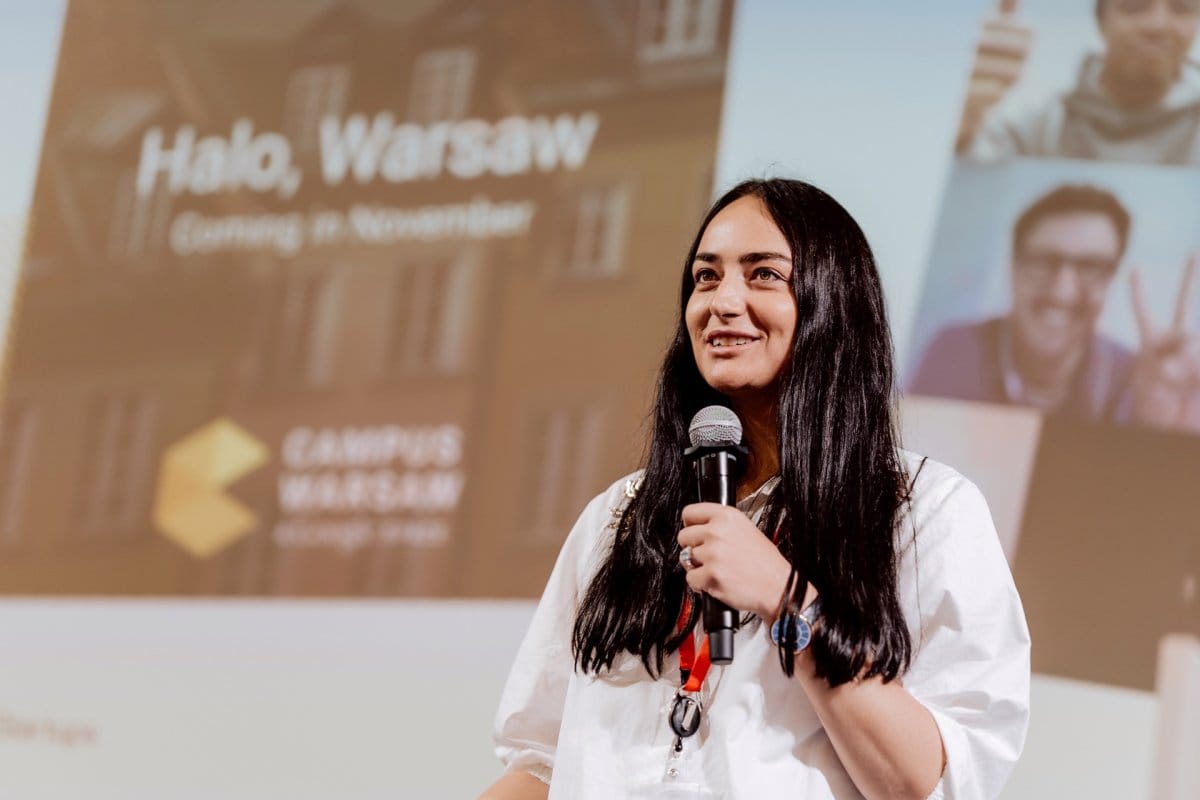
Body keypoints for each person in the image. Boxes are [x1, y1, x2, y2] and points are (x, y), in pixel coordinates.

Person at [481, 179, 1030, 799]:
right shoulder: (620, 514)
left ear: (833, 300)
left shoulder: (925, 509)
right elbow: (539, 761)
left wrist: (788, 599)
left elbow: (934, 780)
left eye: (763, 273)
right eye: (706, 277)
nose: (722, 301)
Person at [910, 184, 1200, 430]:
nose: (1061, 292)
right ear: (1014, 266)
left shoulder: (1138, 379)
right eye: (1044, 262)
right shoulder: (953, 350)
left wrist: (1156, 429)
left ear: (1112, 277)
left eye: (1090, 267)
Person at [960, 0, 1200, 164]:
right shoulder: (1039, 128)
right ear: (1101, 23)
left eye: (1181, 8)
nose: (1157, 26)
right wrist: (962, 115)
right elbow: (972, 167)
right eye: (1134, 6)